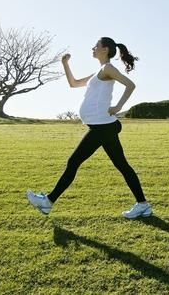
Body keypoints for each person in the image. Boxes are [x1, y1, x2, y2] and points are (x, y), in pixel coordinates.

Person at [26, 37, 152, 219]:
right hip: (103, 126)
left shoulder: (108, 68)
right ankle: (143, 205)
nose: (92, 48)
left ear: (105, 49)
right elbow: (74, 83)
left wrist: (118, 107)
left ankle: (48, 202)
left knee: (74, 161)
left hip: (102, 126)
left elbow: (130, 85)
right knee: (122, 165)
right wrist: (65, 64)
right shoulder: (99, 72)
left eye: (96, 46)